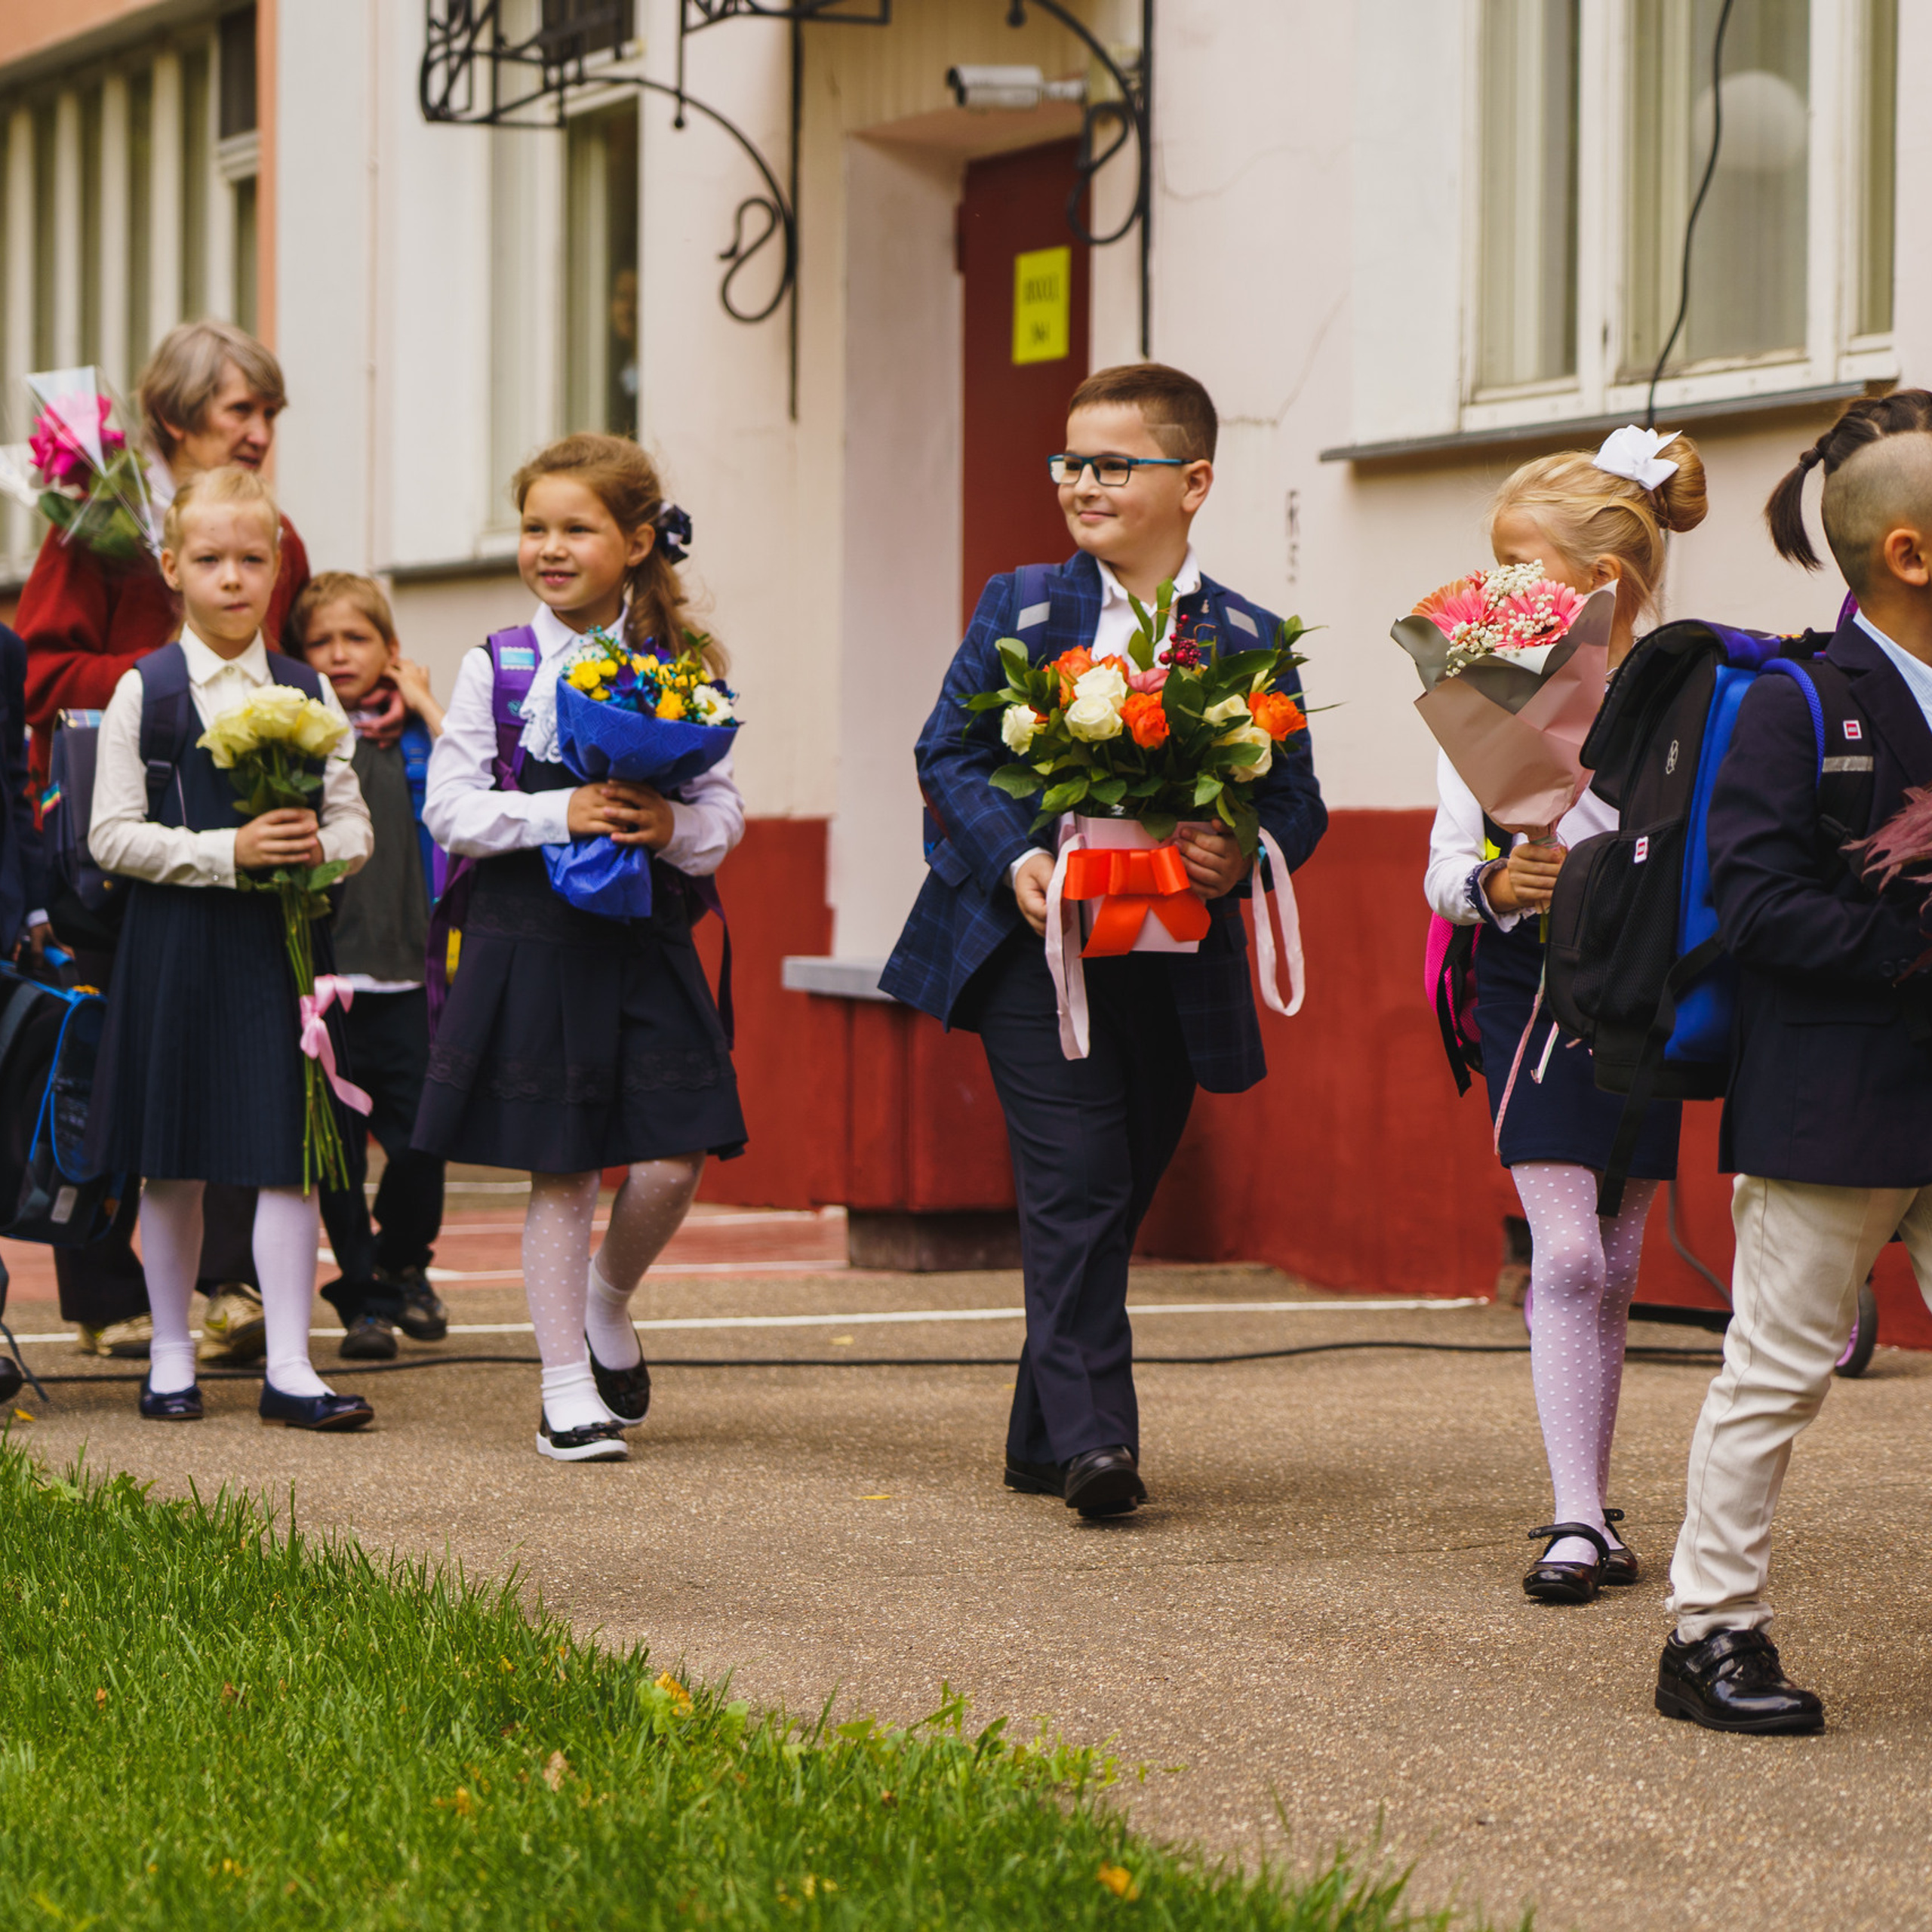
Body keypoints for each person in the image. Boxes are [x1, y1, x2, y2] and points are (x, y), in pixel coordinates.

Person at [880, 362, 1327, 1521]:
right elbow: (948, 753)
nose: (1082, 483)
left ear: (1194, 482)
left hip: (1174, 954)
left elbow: (1296, 803)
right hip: (1036, 945)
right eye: (1070, 461)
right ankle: (1098, 1446)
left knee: (1115, 1185)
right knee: (1075, 1179)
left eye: (1113, 464)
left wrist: (1241, 850)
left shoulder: (1249, 636)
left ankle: (1042, 1435)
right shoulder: (1024, 603)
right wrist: (1016, 861)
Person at [1657, 394, 1932, 1734]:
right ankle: (1710, 1636)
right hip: (1831, 1100)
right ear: (1910, 554)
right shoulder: (1799, 704)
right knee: (1776, 1374)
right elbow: (1759, 908)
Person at [416, 432, 745, 1464]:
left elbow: (723, 813)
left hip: (645, 933)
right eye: (533, 528)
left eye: (576, 529)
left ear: (638, 542)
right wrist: (560, 812)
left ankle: (606, 1297)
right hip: (534, 935)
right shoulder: (497, 664)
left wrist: (670, 826)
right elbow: (449, 808)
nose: (549, 548)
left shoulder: (680, 666)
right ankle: (565, 1388)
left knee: (675, 1158)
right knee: (561, 1167)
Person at [1424, 431, 1707, 1603]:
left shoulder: (1692, 694)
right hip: (1531, 992)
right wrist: (1500, 882)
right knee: (1572, 1251)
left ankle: (1594, 1510)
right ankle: (1573, 1519)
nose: (1496, 583)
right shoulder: (1487, 685)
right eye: (1492, 558)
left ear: (1600, 578)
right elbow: (1444, 870)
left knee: (1620, 1262)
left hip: (1643, 997)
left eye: (1519, 560)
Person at [17, 319, 317, 1364]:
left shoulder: (279, 536)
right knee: (112, 1058)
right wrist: (173, 677)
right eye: (243, 409)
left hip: (247, 838)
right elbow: (43, 674)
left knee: (246, 1052)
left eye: (271, 412)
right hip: (118, 842)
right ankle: (108, 1296)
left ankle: (229, 1285)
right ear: (178, 418)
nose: (261, 431)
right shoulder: (95, 527)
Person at [85, 464, 374, 1429]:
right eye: (210, 559)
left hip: (279, 948)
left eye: (252, 559)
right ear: (173, 567)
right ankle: (172, 1353)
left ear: (277, 568)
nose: (233, 577)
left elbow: (354, 820)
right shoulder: (148, 690)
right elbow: (110, 835)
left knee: (288, 1151)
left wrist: (323, 852)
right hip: (175, 943)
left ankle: (290, 1364)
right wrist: (226, 851)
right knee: (172, 1156)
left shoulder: (307, 686)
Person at [293, 573, 451, 1360]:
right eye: (320, 642)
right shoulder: (300, 738)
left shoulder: (414, 737)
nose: (338, 654)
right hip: (330, 989)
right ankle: (364, 1297)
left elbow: (479, 780)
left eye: (356, 639)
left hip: (411, 982)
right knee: (338, 1157)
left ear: (391, 650)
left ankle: (402, 1261)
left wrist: (423, 700)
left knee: (424, 1140)